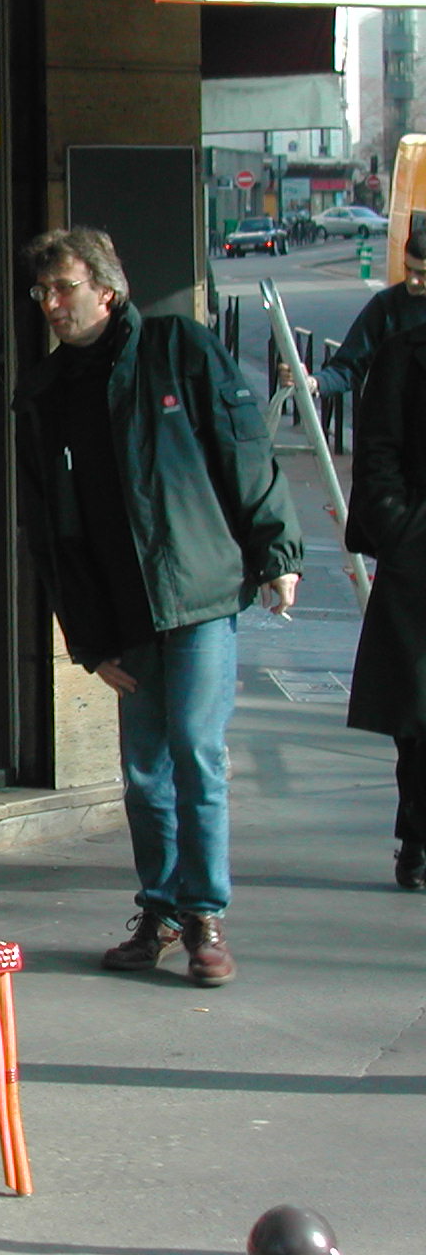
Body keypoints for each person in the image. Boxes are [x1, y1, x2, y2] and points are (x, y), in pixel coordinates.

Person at [15, 229, 302, 987]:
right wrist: (86, 641)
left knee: (194, 752)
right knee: (144, 772)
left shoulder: (178, 350)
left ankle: (204, 914)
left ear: (107, 290)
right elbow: (47, 531)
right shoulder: (45, 393)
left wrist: (277, 553)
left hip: (197, 592)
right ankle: (161, 910)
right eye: (42, 292)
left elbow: (243, 451)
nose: (51, 304)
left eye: (64, 288)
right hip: (121, 612)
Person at [342, 320, 426, 888]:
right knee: (418, 712)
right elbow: (376, 453)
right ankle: (417, 835)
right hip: (420, 551)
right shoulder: (405, 354)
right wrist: (403, 530)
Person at [303, 226, 426, 404]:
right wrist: (313, 383)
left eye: (422, 273)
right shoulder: (387, 306)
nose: (413, 280)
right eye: (408, 269)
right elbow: (349, 365)